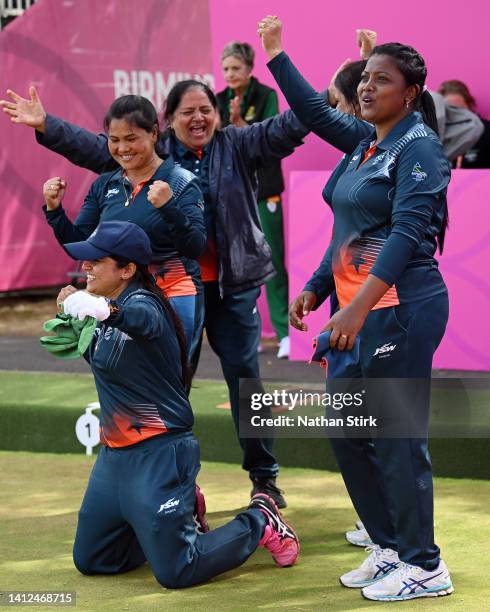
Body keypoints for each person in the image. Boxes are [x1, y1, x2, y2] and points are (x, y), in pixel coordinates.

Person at [1, 79, 309, 508]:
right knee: (169, 386)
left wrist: (325, 98)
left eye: (206, 109)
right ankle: (178, 490)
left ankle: (265, 480)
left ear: (217, 113)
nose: (198, 118)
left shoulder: (236, 144)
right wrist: (47, 125)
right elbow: (100, 147)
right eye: (188, 111)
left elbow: (290, 126)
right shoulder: (143, 155)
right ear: (167, 122)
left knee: (245, 380)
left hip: (231, 285)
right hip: (165, 292)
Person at [259, 15, 454, 602]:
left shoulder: (417, 149)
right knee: (347, 430)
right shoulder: (368, 142)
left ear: (412, 93)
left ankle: (425, 566)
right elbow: (350, 225)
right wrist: (320, 287)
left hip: (400, 307)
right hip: (354, 310)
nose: (368, 88)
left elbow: (402, 235)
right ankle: (389, 545)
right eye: (364, 78)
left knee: (395, 438)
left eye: (382, 80)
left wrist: (354, 310)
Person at [49, 219, 299, 588]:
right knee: (94, 560)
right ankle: (175, 517)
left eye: (96, 261)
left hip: (161, 454)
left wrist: (96, 306)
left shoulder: (146, 305)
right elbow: (114, 363)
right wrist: (75, 319)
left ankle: (260, 520)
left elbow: (138, 320)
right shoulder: (106, 310)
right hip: (114, 459)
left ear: (128, 269)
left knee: (178, 570)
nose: (86, 266)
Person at [41, 94, 206, 361]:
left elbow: (195, 246)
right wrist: (54, 211)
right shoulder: (105, 184)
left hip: (175, 294)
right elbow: (80, 243)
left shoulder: (181, 181)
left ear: (154, 133)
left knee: (168, 382)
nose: (122, 148)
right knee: (124, 375)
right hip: (121, 299)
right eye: (114, 140)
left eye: (131, 138)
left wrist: (168, 207)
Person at [217, 42, 290, 359]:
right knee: (240, 266)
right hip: (231, 193)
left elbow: (269, 137)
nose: (230, 74)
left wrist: (239, 124)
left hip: (264, 190)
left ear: (249, 69)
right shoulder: (216, 100)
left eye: (235, 68)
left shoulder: (266, 96)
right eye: (225, 69)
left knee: (271, 260)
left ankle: (286, 333)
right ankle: (250, 334)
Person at [438, 79, 490, 168]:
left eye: (460, 110)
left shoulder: (486, 131)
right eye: (450, 110)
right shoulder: (433, 133)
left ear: (470, 106)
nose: (455, 115)